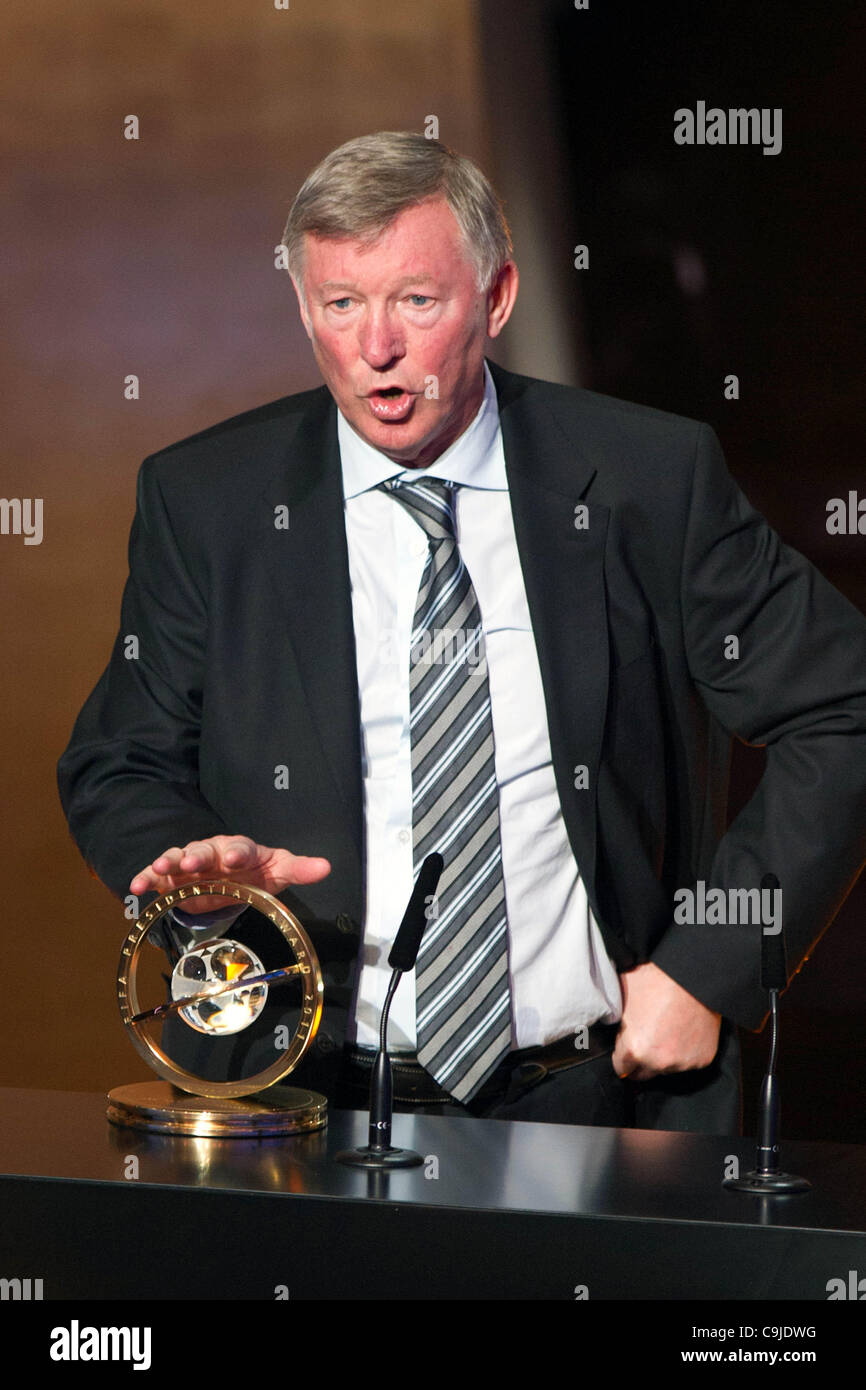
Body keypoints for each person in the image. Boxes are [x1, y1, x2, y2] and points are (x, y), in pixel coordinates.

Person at [57, 131, 866, 1133]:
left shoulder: (643, 479)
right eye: (340, 304)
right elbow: (117, 761)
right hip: (296, 1102)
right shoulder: (208, 499)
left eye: (415, 301)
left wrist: (708, 966)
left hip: (595, 1100)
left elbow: (842, 709)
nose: (375, 347)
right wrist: (196, 878)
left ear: (495, 298)